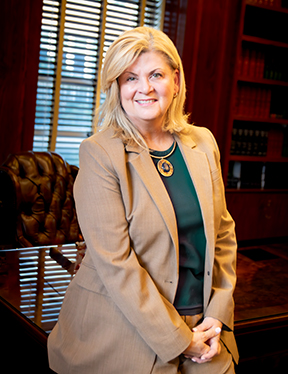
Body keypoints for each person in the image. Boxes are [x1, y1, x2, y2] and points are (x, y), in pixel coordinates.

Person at [48, 26, 239, 374]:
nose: (145, 88)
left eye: (156, 75)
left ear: (176, 81)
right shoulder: (100, 154)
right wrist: (180, 339)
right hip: (125, 329)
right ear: (117, 87)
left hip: (204, 322)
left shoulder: (203, 142)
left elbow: (223, 233)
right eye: (130, 78)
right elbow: (116, 264)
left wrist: (218, 312)